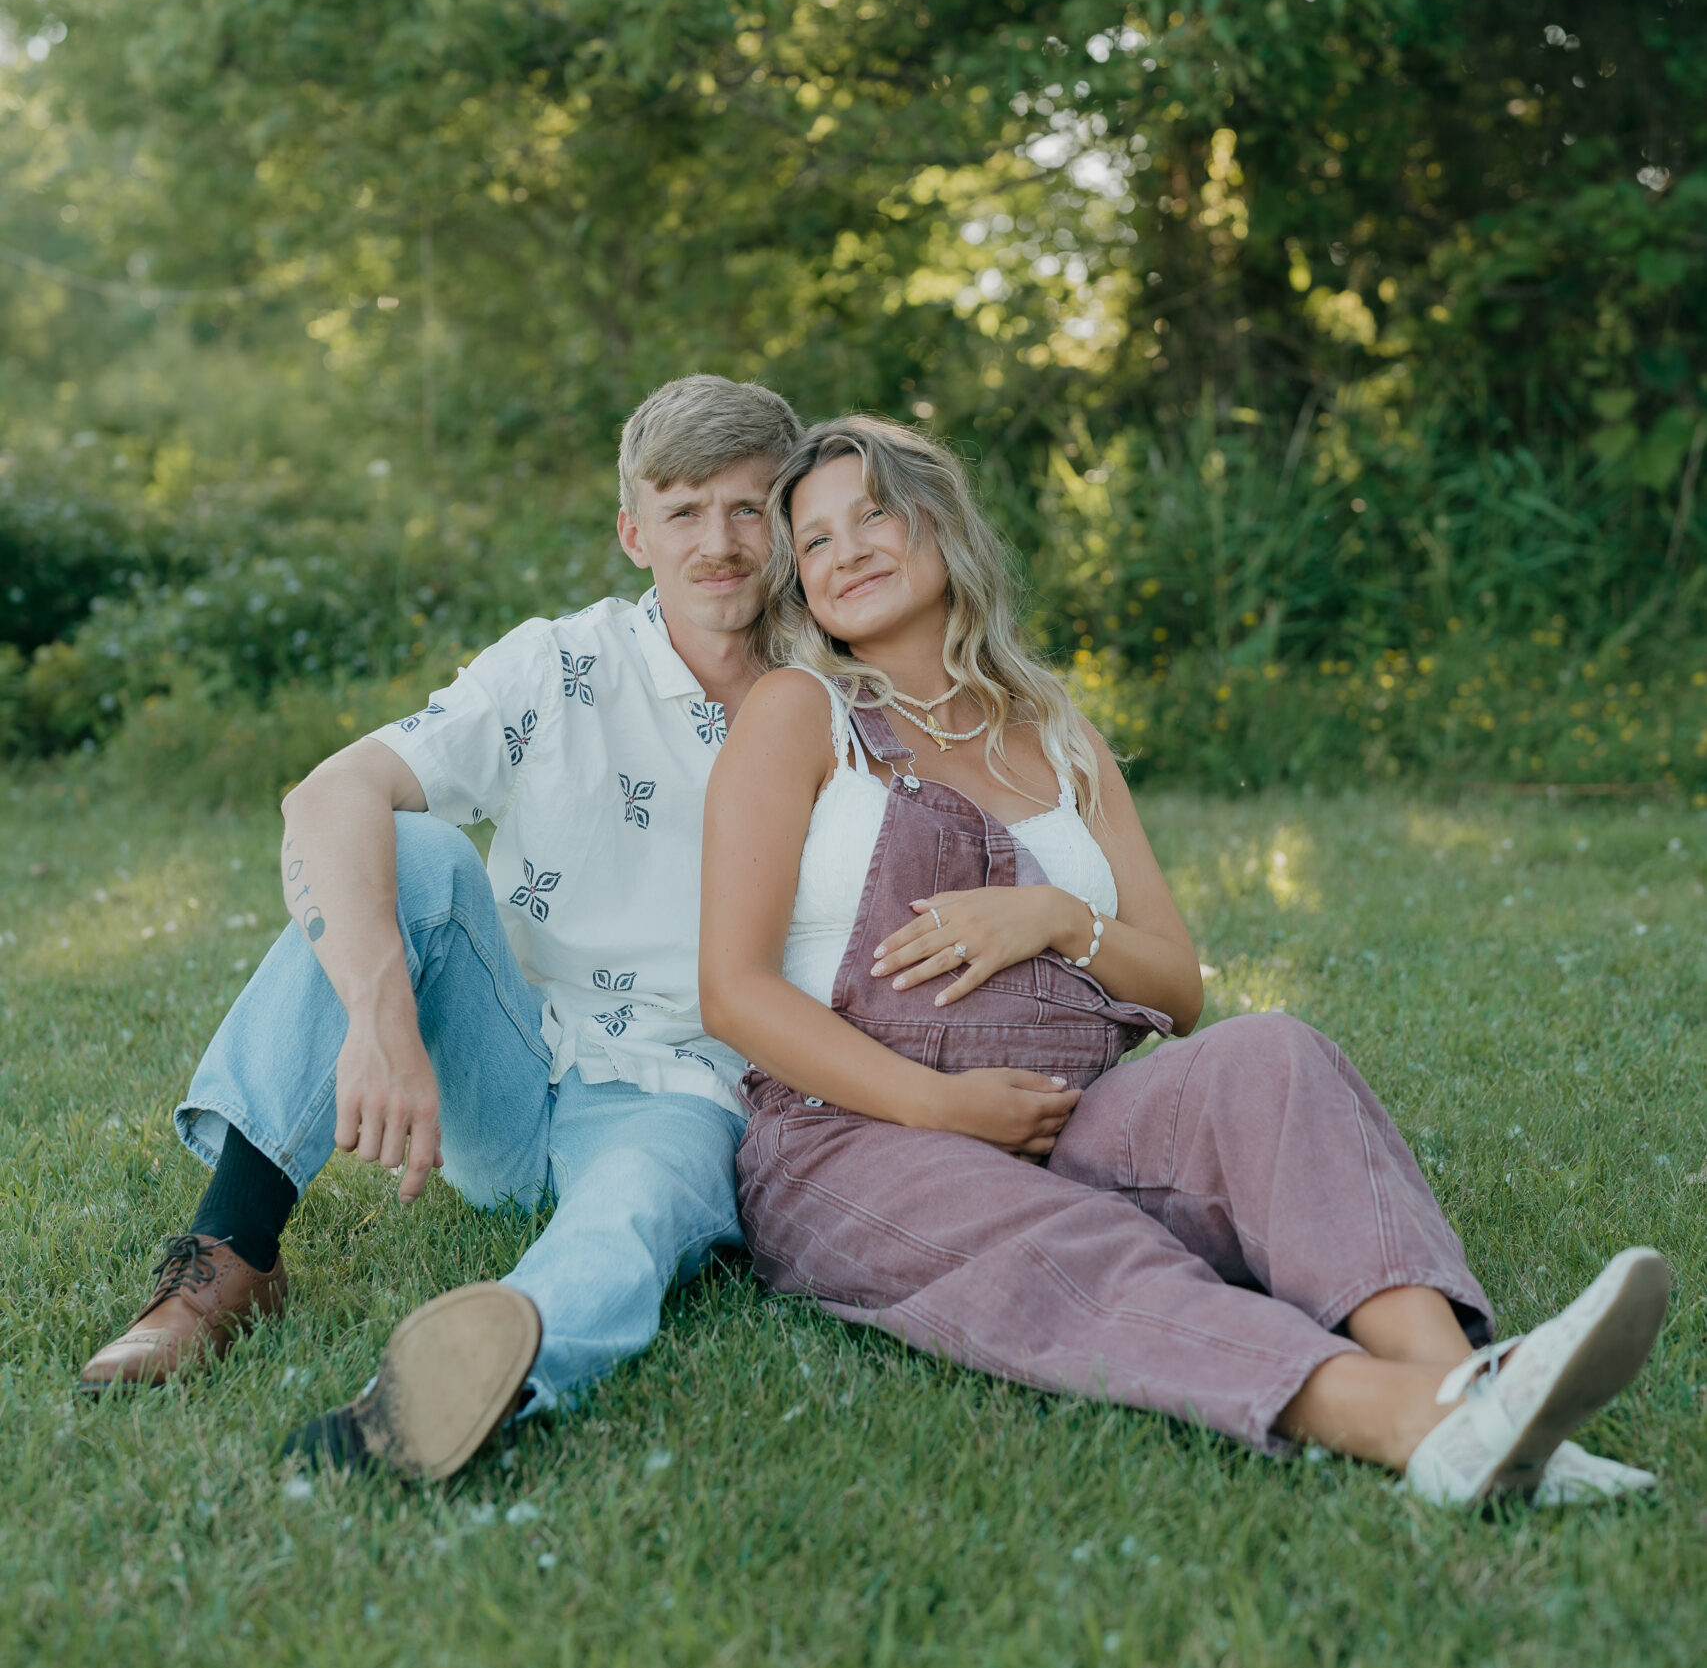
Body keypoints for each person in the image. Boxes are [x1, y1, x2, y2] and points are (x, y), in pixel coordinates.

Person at [699, 417, 1668, 1506]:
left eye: (872, 513)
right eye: (816, 541)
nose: (849, 551)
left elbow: (1179, 988)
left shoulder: (1056, 733)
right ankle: (1409, 1423)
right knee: (1068, 1241)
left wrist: (1059, 918)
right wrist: (940, 1106)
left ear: (941, 525)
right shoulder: (799, 714)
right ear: (802, 585)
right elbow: (732, 991)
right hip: (854, 1139)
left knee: (1273, 1055)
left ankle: (1468, 1384)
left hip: (1072, 1110)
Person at [79, 374, 804, 1479]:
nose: (721, 541)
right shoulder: (560, 662)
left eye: (750, 507)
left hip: (677, 1092)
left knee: (632, 1215)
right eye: (686, 509)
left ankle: (458, 1390)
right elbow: (327, 794)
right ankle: (230, 1251)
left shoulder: (836, 696)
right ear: (632, 531)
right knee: (404, 847)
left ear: (788, 523)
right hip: (510, 1072)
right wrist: (379, 1014)